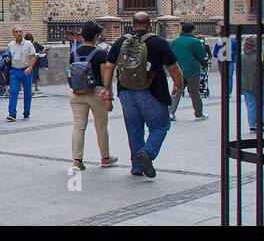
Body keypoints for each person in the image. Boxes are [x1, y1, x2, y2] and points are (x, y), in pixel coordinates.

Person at [102, 12, 185, 178]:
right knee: (160, 126)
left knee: (134, 129)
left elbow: (109, 67)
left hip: (125, 91)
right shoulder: (159, 42)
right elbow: (173, 68)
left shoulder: (120, 42)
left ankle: (137, 166)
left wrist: (107, 89)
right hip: (152, 92)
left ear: (132, 25)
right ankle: (147, 152)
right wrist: (179, 86)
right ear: (150, 25)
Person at [68, 21, 118, 171]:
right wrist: (109, 98)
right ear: (96, 36)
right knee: (101, 126)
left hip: (77, 93)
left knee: (78, 127)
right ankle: (105, 157)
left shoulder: (74, 53)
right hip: (96, 93)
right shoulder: (101, 53)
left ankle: (77, 161)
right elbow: (105, 78)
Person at [169, 22, 211, 121]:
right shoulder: (195, 41)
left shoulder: (174, 41)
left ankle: (170, 112)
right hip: (192, 70)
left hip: (178, 70)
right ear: (192, 30)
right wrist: (204, 63)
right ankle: (198, 114)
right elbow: (201, 56)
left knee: (176, 91)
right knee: (194, 93)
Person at [5, 26, 39, 122]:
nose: (18, 33)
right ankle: (12, 114)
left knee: (27, 93)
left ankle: (26, 113)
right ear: (13, 34)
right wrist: (7, 58)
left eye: (20, 31)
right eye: (16, 32)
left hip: (26, 70)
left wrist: (30, 67)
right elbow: (8, 55)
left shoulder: (28, 44)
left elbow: (33, 57)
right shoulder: (10, 45)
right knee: (13, 92)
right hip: (14, 71)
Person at [239, 35, 264, 135]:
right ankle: (260, 123)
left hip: (246, 84)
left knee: (251, 105)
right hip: (260, 84)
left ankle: (252, 126)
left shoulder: (241, 56)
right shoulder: (261, 55)